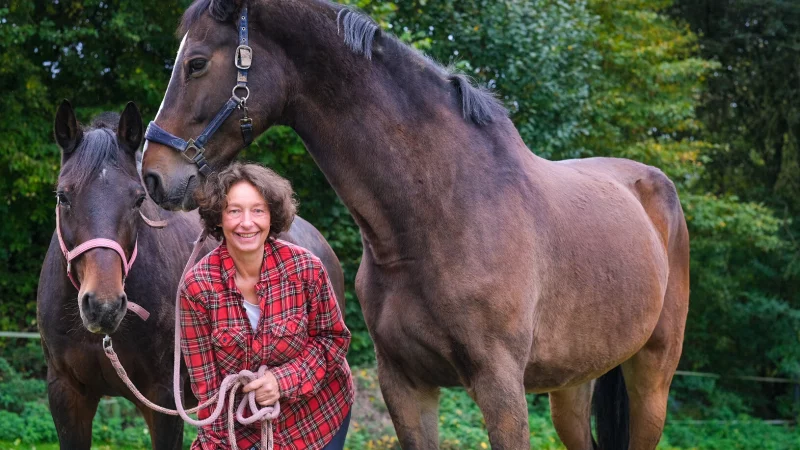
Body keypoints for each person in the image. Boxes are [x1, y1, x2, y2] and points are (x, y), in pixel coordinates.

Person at [179, 162, 353, 450]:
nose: (246, 222)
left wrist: (282, 381)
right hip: (244, 431)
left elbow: (333, 340)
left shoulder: (306, 268)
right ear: (218, 218)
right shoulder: (197, 288)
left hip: (318, 418)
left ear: (272, 215)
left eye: (258, 210)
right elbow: (207, 388)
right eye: (234, 210)